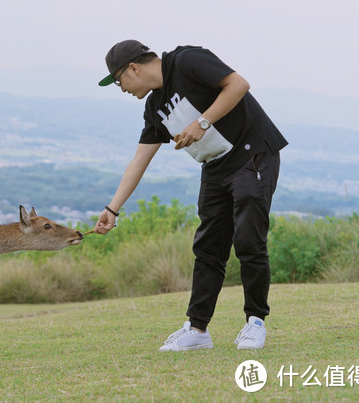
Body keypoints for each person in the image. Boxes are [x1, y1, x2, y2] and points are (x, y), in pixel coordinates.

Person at [94, 40, 287, 351]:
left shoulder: (186, 60)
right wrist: (112, 209)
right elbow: (139, 160)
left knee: (249, 241)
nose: (122, 89)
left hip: (253, 155)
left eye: (119, 81)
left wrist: (201, 122)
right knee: (208, 248)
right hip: (215, 166)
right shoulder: (154, 107)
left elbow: (238, 84)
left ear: (133, 68)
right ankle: (197, 330)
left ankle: (255, 322)